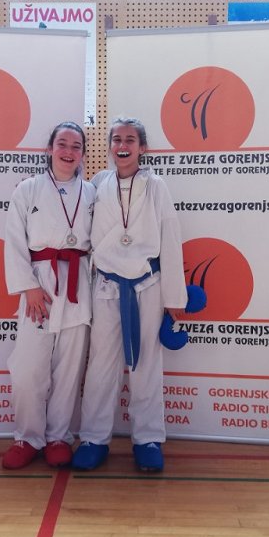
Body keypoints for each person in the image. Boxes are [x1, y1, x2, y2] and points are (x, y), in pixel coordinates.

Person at [72, 117, 187, 473]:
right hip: (107, 285)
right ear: (109, 146)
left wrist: (175, 297)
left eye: (130, 140)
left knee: (147, 363)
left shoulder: (156, 186)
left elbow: (170, 237)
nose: (122, 146)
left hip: (146, 284)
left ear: (142, 147)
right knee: (101, 364)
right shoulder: (97, 184)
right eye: (117, 139)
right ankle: (93, 438)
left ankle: (148, 439)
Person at [2, 121, 96, 469]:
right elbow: (14, 240)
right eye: (62, 144)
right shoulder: (28, 189)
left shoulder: (92, 193)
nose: (68, 152)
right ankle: (27, 437)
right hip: (39, 282)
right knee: (28, 368)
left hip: (78, 284)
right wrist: (28, 286)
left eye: (76, 146)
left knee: (69, 368)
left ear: (83, 154)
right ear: (50, 149)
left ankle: (58, 436)